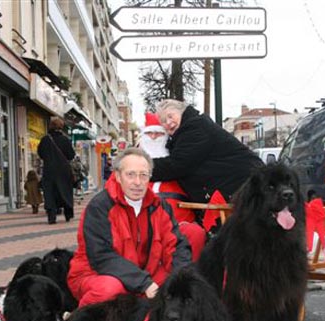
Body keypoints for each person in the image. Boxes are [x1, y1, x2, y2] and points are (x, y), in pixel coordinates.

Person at [67, 147, 192, 307]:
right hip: (97, 273)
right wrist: (143, 283)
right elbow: (101, 256)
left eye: (143, 175)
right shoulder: (99, 207)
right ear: (118, 176)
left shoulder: (159, 206)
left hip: (144, 272)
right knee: (110, 290)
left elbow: (175, 245)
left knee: (179, 281)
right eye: (130, 175)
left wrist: (180, 281)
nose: (138, 183)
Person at [152, 99, 263, 206]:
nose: (168, 122)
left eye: (170, 116)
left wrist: (141, 167)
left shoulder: (195, 128)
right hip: (240, 189)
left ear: (181, 112)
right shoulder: (188, 131)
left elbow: (177, 165)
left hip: (245, 190)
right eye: (163, 121)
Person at [138, 112, 206, 261]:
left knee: (195, 233)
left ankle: (189, 279)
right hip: (140, 223)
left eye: (159, 133)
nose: (154, 137)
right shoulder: (129, 165)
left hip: (178, 224)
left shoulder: (179, 164)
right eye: (149, 133)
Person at [37, 117, 75, 224]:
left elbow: (40, 154)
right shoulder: (65, 139)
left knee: (50, 192)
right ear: (61, 126)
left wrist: (49, 159)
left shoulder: (45, 139)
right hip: (63, 171)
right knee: (65, 191)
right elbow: (71, 155)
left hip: (49, 170)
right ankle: (68, 213)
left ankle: (51, 216)